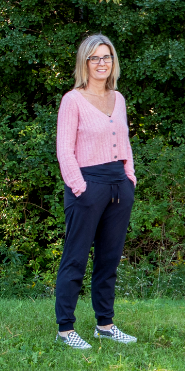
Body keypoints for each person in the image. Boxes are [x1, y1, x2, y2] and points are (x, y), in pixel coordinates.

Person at [55, 34, 138, 349]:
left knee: (109, 259)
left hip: (119, 183)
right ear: (85, 63)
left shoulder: (118, 98)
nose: (102, 63)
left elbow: (125, 143)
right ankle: (65, 328)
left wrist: (129, 177)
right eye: (95, 58)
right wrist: (80, 188)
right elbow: (65, 150)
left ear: (113, 62)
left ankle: (105, 324)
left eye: (107, 57)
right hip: (87, 184)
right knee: (75, 258)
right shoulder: (72, 100)